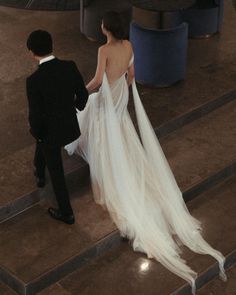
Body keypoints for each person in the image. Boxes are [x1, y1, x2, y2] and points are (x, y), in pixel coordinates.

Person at [65, 12, 226, 293]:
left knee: (91, 108)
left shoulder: (103, 49)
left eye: (102, 23)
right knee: (117, 127)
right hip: (121, 95)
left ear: (105, 29)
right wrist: (119, 93)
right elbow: (131, 77)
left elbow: (97, 79)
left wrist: (78, 91)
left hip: (108, 94)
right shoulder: (128, 45)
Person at [26, 30, 88, 225]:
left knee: (56, 171)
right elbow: (83, 96)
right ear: (52, 46)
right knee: (42, 141)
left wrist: (37, 133)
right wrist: (73, 108)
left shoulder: (33, 81)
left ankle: (66, 212)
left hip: (49, 134)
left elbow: (35, 117)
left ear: (32, 52)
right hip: (70, 128)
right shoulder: (69, 67)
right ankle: (39, 173)